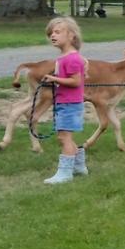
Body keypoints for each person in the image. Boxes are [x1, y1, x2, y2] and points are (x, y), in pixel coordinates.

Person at [41, 17, 89, 184]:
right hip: (65, 102)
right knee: (65, 136)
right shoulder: (64, 57)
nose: (53, 35)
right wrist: (56, 78)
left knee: (64, 138)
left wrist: (55, 80)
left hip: (69, 104)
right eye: (51, 33)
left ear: (71, 36)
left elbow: (76, 81)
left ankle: (65, 174)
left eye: (58, 32)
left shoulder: (72, 58)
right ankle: (79, 167)